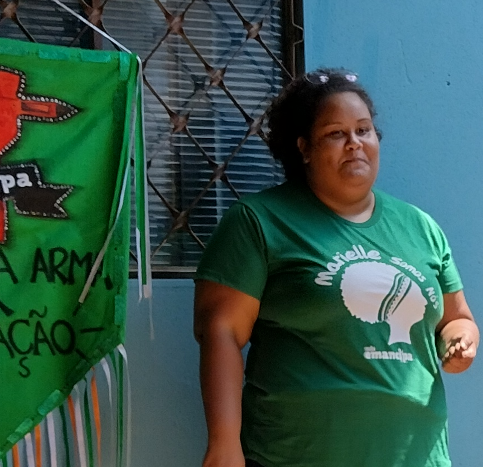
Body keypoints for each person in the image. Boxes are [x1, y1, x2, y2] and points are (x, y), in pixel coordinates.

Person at [193, 68, 479, 467]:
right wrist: (224, 444)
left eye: (364, 130)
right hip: (298, 455)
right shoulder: (260, 221)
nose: (355, 144)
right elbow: (220, 332)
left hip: (417, 455)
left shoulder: (420, 227)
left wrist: (461, 341)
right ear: (304, 147)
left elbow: (457, 319)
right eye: (335, 134)